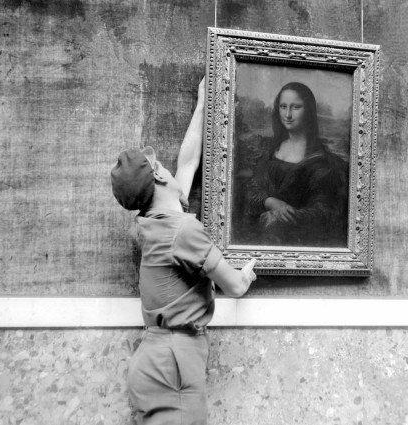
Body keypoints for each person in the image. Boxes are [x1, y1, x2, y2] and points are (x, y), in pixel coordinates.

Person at [110, 78, 257, 425]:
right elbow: (234, 286)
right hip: (173, 364)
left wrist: (205, 103)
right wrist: (247, 273)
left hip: (157, 360)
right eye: (161, 167)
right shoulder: (183, 231)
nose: (169, 169)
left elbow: (188, 161)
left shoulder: (155, 222)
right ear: (160, 180)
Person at [244, 82, 349, 247]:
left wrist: (283, 217)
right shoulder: (270, 151)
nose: (287, 114)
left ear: (308, 111)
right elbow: (251, 190)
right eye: (283, 106)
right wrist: (270, 202)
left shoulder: (323, 162)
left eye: (296, 107)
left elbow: (324, 212)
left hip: (297, 240)